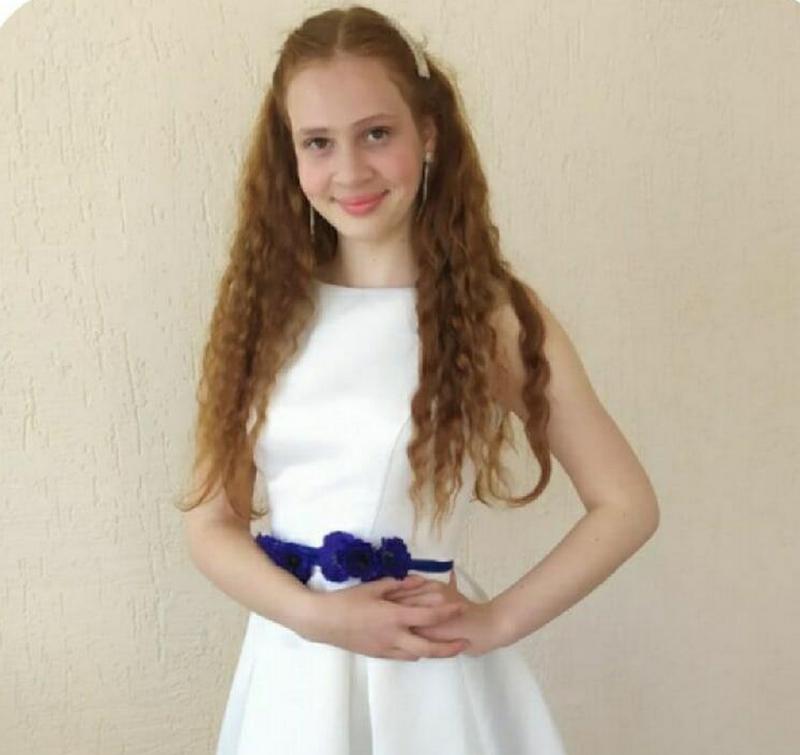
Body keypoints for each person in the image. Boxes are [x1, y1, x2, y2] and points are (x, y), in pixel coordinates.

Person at [176, 5, 660, 754]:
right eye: (318, 142)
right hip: (291, 676)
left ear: (428, 134)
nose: (350, 171)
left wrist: (496, 620)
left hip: (423, 683)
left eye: (377, 133)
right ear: (289, 153)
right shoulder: (264, 312)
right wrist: (316, 617)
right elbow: (211, 522)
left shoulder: (488, 316)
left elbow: (626, 503)